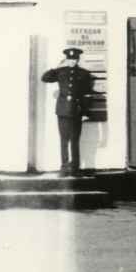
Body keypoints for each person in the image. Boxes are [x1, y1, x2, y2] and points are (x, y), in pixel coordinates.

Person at [41, 47, 95, 176]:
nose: (72, 61)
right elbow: (45, 78)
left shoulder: (84, 74)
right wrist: (57, 67)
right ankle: (64, 168)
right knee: (64, 140)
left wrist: (85, 113)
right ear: (66, 59)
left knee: (75, 140)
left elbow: (87, 95)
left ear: (78, 60)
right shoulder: (61, 71)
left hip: (76, 111)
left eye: (75, 59)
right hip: (63, 110)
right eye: (70, 59)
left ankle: (75, 168)